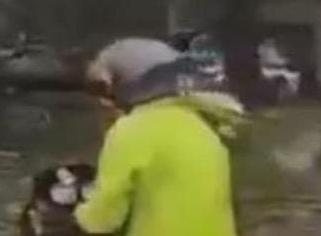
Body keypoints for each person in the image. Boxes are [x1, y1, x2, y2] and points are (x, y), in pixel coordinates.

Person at [74, 37, 243, 236]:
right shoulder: (204, 124)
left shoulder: (133, 130)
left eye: (103, 89)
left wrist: (77, 214)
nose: (103, 102)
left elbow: (102, 220)